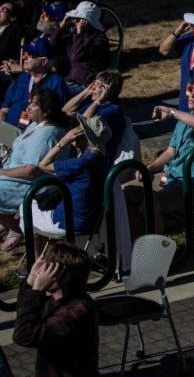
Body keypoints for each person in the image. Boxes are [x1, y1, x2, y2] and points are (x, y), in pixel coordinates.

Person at [140, 72, 194, 235]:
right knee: (130, 197)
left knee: (152, 203)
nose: (191, 95)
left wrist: (171, 112)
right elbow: (170, 152)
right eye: (190, 90)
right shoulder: (183, 121)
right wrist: (148, 168)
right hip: (174, 182)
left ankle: (155, 252)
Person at [14, 242, 98, 377]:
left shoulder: (74, 312)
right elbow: (24, 315)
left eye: (47, 268)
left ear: (60, 275)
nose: (42, 272)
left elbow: (23, 335)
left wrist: (37, 291)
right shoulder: (57, 300)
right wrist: (30, 281)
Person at [0, 90, 68, 250]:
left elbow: (30, 171)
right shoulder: (36, 125)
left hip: (32, 184)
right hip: (13, 174)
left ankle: (19, 229)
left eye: (34, 105)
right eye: (30, 103)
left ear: (47, 110)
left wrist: (2, 172)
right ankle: (17, 227)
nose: (28, 107)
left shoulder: (48, 135)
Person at [29, 115, 111, 238]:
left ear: (84, 137)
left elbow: (43, 165)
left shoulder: (80, 164)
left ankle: (36, 254)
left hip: (68, 221)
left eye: (80, 129)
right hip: (92, 219)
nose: (74, 130)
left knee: (25, 208)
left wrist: (64, 141)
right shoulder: (101, 160)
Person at [0, 38, 69, 128]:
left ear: (43, 61)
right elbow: (4, 108)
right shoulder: (23, 77)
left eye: (30, 55)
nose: (24, 57)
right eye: (25, 53)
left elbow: (55, 120)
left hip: (31, 135)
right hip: (7, 130)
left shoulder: (57, 84)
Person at [62, 68, 126, 162]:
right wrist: (86, 92)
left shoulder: (113, 109)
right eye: (95, 83)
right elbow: (66, 111)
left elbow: (84, 123)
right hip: (84, 150)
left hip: (98, 157)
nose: (94, 87)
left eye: (99, 85)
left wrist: (98, 101)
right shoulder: (96, 104)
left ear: (108, 90)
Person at [62, 1, 111, 91]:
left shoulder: (99, 39)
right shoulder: (76, 33)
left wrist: (79, 33)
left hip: (85, 83)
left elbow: (76, 57)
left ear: (87, 21)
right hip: (71, 78)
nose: (74, 21)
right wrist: (61, 27)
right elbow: (52, 46)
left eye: (78, 19)